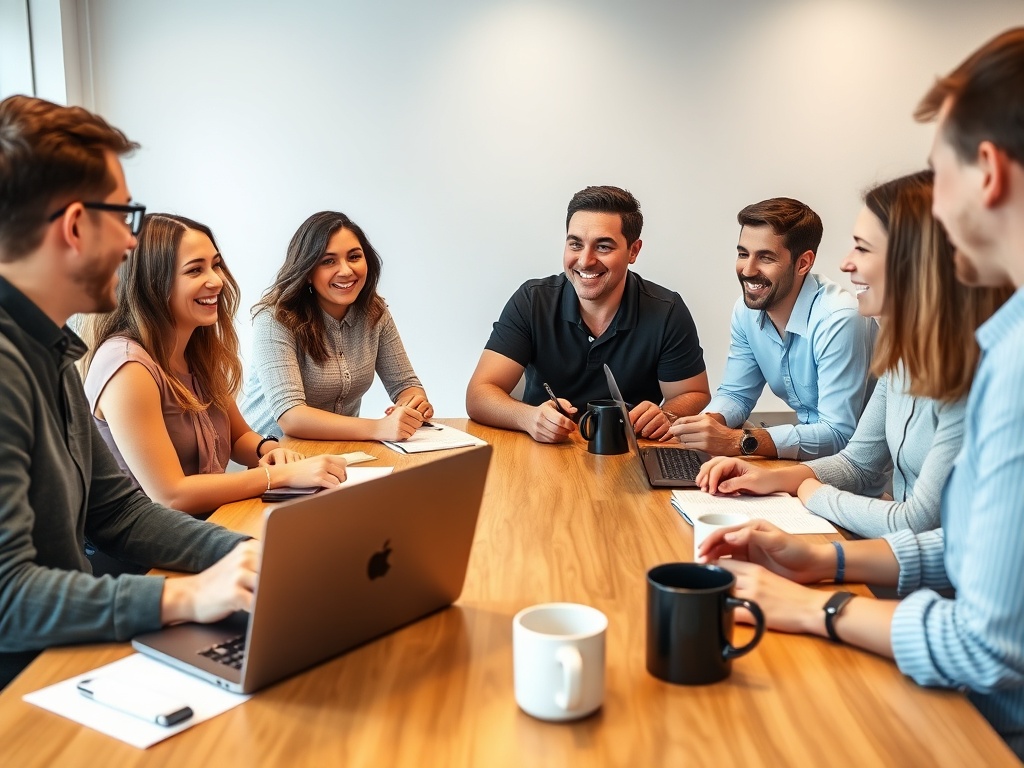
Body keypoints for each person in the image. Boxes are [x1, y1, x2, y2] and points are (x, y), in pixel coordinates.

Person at [696, 28, 1024, 758]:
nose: (846, 266)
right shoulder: (975, 348)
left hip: (987, 717)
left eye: (940, 176)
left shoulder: (1006, 365)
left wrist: (818, 604)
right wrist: (826, 560)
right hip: (929, 638)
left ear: (990, 173)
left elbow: (986, 648)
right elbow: (962, 549)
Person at [0, 95, 258, 688]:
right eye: (125, 217)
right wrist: (180, 598)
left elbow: (118, 512)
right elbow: (9, 597)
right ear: (74, 226)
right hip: (26, 689)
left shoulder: (53, 351)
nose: (132, 242)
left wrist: (238, 555)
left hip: (67, 655)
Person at [697, 172, 1008, 537]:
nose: (846, 264)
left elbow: (916, 521)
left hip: (880, 519)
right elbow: (856, 462)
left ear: (915, 261)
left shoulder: (976, 374)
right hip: (876, 521)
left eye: (862, 247)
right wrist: (767, 477)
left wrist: (802, 488)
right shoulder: (903, 354)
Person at [82, 214, 349, 518]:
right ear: (152, 284)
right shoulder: (127, 366)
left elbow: (237, 437)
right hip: (142, 550)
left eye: (216, 265)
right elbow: (171, 496)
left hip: (207, 521)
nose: (217, 280)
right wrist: (277, 477)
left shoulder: (197, 350)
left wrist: (269, 451)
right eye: (195, 269)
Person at [466, 185, 710, 444]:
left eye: (603, 247)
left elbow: (693, 392)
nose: (584, 260)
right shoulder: (532, 300)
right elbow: (479, 394)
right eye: (575, 244)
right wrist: (527, 417)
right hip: (542, 450)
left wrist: (666, 414)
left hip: (627, 451)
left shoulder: (666, 309)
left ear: (634, 251)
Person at [670, 198, 875, 460]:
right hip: (807, 463)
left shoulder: (839, 318)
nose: (747, 269)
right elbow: (736, 394)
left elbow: (838, 434)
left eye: (765, 257)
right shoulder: (746, 312)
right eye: (743, 254)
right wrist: (707, 424)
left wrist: (737, 441)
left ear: (803, 263)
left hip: (859, 476)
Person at [242, 211, 431, 442]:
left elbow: (406, 385)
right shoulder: (275, 318)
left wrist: (412, 404)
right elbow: (291, 417)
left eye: (354, 257)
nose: (346, 270)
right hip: (269, 455)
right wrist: (380, 428)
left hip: (339, 452)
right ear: (308, 272)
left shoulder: (375, 312)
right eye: (328, 261)